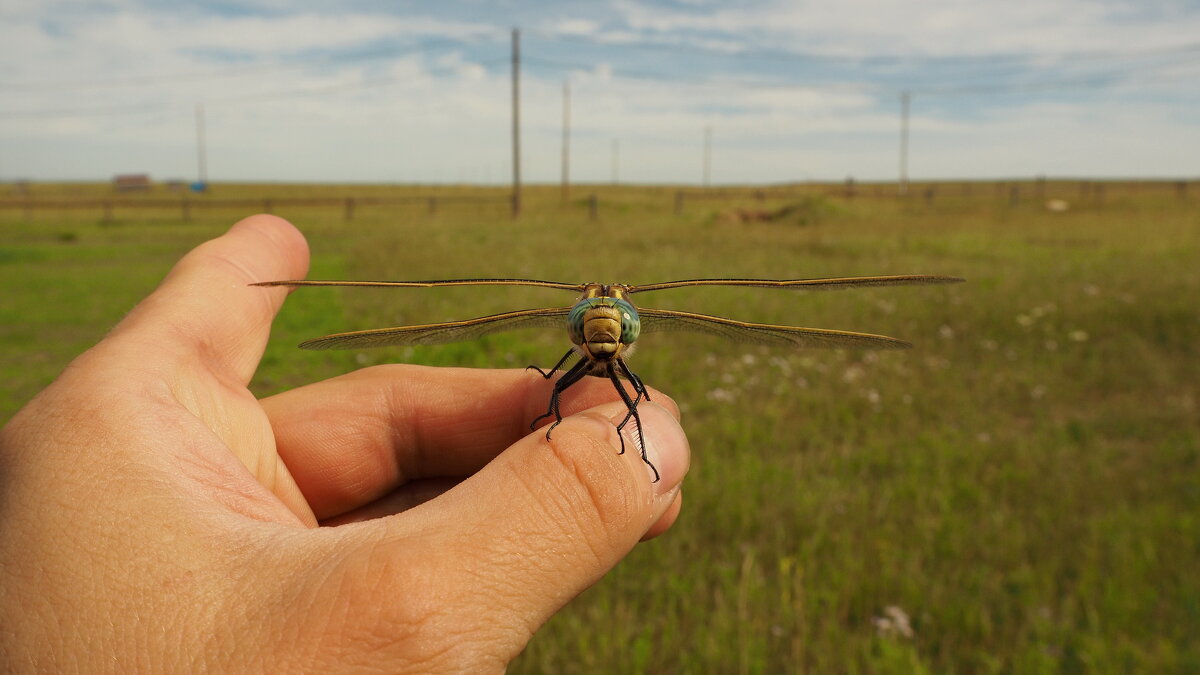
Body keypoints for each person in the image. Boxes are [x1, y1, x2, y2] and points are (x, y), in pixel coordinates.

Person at [0, 215, 689, 672]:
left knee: (595, 400)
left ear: (621, 330)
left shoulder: (599, 349)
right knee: (583, 399)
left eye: (613, 329)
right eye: (591, 326)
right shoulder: (602, 354)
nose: (602, 337)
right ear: (580, 326)